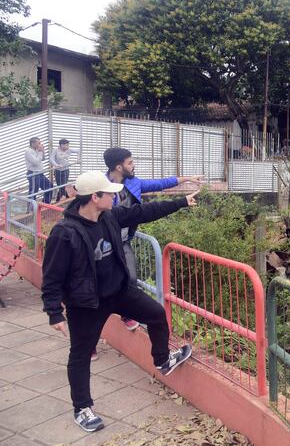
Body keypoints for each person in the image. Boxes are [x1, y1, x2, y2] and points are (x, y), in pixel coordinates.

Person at [41, 171, 197, 433]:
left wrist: (181, 202)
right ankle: (82, 408)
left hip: (119, 292)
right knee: (80, 355)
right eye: (110, 194)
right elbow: (52, 276)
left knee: (156, 313)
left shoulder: (109, 216)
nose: (115, 197)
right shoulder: (65, 233)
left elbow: (143, 212)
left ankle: (162, 360)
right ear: (95, 197)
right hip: (87, 303)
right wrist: (54, 312)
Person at [93, 147, 201, 359]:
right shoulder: (101, 187)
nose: (133, 165)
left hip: (123, 242)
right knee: (98, 299)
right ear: (119, 167)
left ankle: (127, 314)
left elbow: (160, 184)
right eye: (130, 162)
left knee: (130, 280)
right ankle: (89, 343)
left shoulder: (134, 183)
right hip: (102, 245)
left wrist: (186, 179)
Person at [24, 137, 52, 204]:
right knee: (33, 191)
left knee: (49, 186)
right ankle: (30, 207)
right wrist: (40, 152)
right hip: (33, 173)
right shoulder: (28, 151)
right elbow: (35, 162)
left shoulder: (36, 150)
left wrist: (42, 151)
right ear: (33, 143)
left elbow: (43, 159)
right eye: (38, 143)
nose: (40, 144)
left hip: (40, 173)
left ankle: (45, 204)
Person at [52, 138, 79, 203]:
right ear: (61, 145)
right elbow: (51, 159)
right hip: (58, 170)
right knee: (60, 185)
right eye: (66, 145)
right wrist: (56, 165)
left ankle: (59, 199)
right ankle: (63, 197)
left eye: (68, 145)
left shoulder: (69, 150)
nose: (68, 146)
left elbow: (78, 151)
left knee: (63, 185)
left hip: (66, 170)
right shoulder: (55, 150)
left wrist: (78, 159)